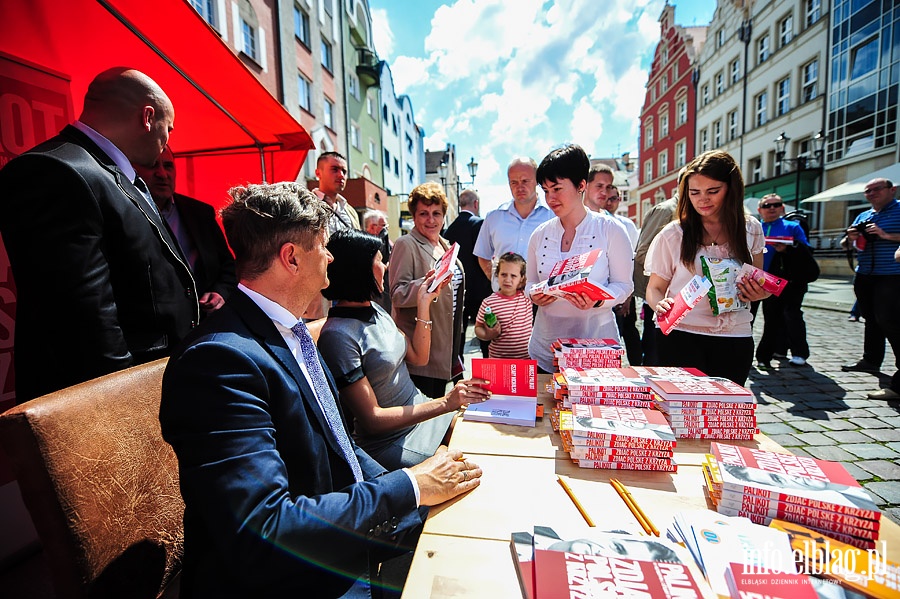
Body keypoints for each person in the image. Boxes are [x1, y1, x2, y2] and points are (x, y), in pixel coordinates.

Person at [159, 181, 482, 598]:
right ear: (291, 257)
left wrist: (416, 490)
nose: (331, 256)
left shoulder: (288, 331)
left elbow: (342, 450)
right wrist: (412, 486)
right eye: (323, 246)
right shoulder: (218, 364)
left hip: (340, 548)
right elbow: (264, 529)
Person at [0, 67, 198, 402]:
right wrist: (127, 403)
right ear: (148, 117)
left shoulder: (107, 171)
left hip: (150, 385)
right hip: (112, 402)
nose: (167, 140)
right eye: (169, 128)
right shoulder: (56, 170)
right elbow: (83, 321)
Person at [319, 229, 490, 470]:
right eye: (378, 260)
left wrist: (423, 302)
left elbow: (419, 357)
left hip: (422, 412)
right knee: (471, 460)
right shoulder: (337, 336)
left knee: (485, 439)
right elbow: (372, 421)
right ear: (358, 269)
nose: (386, 266)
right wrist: (445, 403)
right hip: (391, 441)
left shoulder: (376, 311)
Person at [645, 150, 769, 386]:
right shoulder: (673, 234)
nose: (703, 199)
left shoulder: (751, 229)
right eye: (694, 192)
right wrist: (659, 303)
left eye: (713, 191)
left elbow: (757, 281)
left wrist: (759, 291)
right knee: (682, 414)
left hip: (735, 335)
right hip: (681, 334)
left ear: (731, 189)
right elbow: (655, 288)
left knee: (725, 414)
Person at [527, 144, 634, 373]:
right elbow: (529, 283)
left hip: (596, 347)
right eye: (545, 191)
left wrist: (598, 300)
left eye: (557, 188)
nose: (550, 198)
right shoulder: (539, 235)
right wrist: (535, 294)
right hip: (546, 348)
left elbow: (624, 285)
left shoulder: (610, 229)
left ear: (581, 185)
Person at [133, 145, 237, 314]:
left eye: (168, 166)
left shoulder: (200, 213)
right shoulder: (127, 213)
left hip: (204, 321)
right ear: (133, 170)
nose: (162, 174)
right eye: (152, 165)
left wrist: (220, 292)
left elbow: (228, 266)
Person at [390, 182, 465, 398]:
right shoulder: (406, 244)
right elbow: (397, 294)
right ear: (414, 216)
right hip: (423, 351)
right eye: (423, 213)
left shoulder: (445, 244)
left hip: (447, 346)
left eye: (436, 213)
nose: (431, 220)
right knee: (427, 416)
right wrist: (429, 283)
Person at [840, 178, 900, 401]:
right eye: (868, 191)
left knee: (891, 322)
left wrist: (885, 235)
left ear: (891, 190)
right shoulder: (863, 215)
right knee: (871, 319)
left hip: (893, 274)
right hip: (865, 274)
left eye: (877, 189)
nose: (872, 193)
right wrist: (851, 237)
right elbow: (845, 244)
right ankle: (871, 360)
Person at [585, 167, 642, 365]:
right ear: (585, 185)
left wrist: (624, 296)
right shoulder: (570, 220)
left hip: (606, 308)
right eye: (599, 186)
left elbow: (628, 266)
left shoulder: (617, 226)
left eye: (608, 187)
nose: (605, 192)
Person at [474, 156, 553, 289]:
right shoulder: (494, 218)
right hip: (504, 303)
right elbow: (483, 254)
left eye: (525, 181)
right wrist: (496, 281)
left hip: (541, 301)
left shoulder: (553, 217)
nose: (519, 187)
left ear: (537, 181)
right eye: (514, 182)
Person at [754, 194, 814, 369]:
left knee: (773, 319)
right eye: (767, 205)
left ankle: (765, 356)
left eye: (776, 205)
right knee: (746, 319)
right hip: (753, 277)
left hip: (778, 280)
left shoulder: (793, 227)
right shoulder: (754, 228)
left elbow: (805, 251)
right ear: (760, 210)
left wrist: (788, 248)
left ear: (782, 208)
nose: (771, 208)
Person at [304, 151, 360, 320]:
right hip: (319, 293)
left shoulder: (349, 210)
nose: (341, 175)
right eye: (334, 169)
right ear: (318, 173)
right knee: (319, 338)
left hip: (347, 291)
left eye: (344, 171)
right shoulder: (306, 205)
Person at [633, 186, 678, 366]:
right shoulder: (667, 210)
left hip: (685, 302)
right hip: (662, 297)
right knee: (656, 358)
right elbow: (642, 252)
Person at [444, 189, 492, 357]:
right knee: (487, 340)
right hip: (481, 292)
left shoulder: (449, 230)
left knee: (459, 339)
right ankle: (488, 374)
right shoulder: (479, 224)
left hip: (458, 292)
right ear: (476, 204)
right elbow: (485, 256)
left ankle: (459, 378)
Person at [474, 252, 533, 359]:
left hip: (525, 360)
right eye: (503, 274)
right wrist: (488, 335)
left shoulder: (527, 296)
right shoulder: (489, 302)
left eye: (513, 276)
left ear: (522, 278)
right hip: (498, 360)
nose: (507, 279)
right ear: (497, 274)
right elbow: (478, 328)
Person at [363, 209, 391, 311]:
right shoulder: (363, 244)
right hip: (373, 295)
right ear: (372, 227)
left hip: (386, 291)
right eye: (383, 225)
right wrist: (386, 266)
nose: (386, 229)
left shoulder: (387, 242)